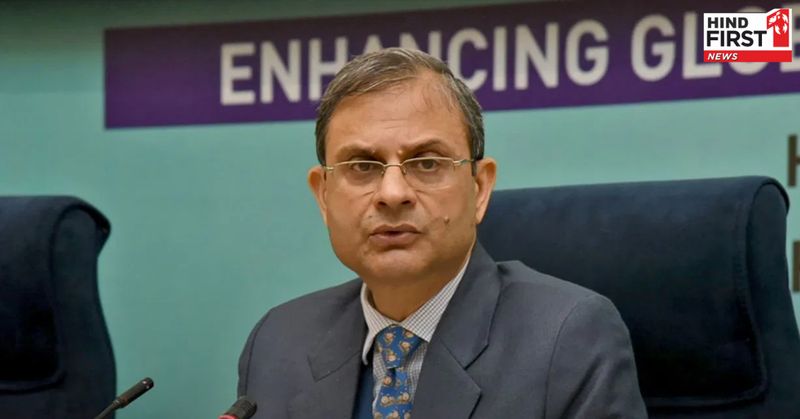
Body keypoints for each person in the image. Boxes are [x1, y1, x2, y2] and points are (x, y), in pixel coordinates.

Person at [238, 48, 648, 419]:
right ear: (324, 196)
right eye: (362, 166)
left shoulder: (568, 338)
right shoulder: (279, 341)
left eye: (427, 163)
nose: (392, 194)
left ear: (479, 188)